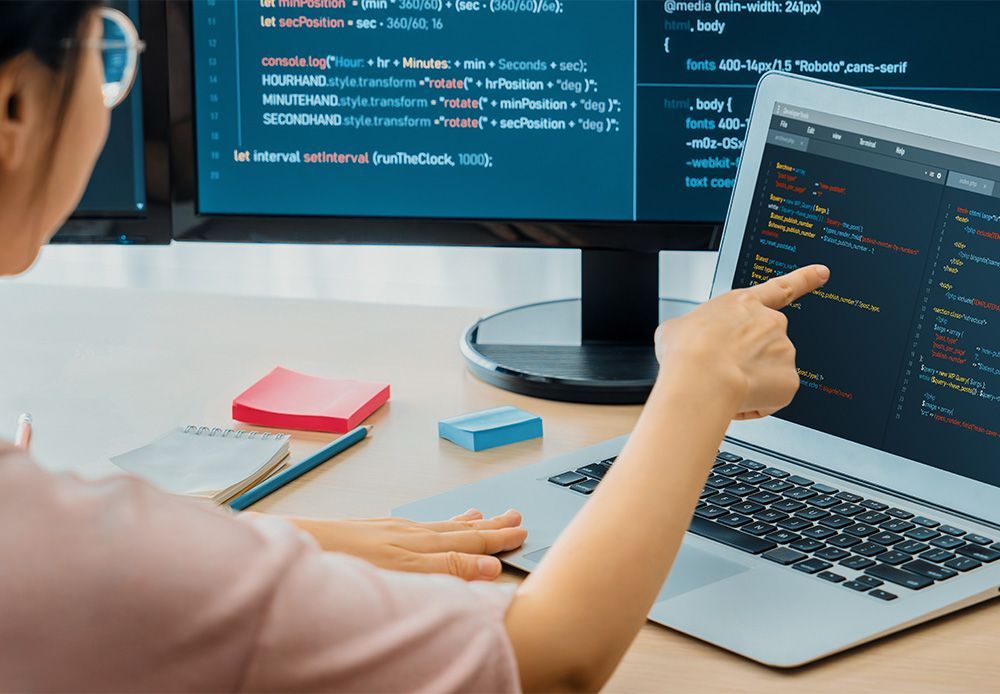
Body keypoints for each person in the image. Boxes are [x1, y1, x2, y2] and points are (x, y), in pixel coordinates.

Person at [0, 2, 830, 691]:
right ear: (14, 111)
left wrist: (259, 548)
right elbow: (545, 662)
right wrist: (698, 382)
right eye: (104, 44)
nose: (114, 86)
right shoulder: (61, 555)